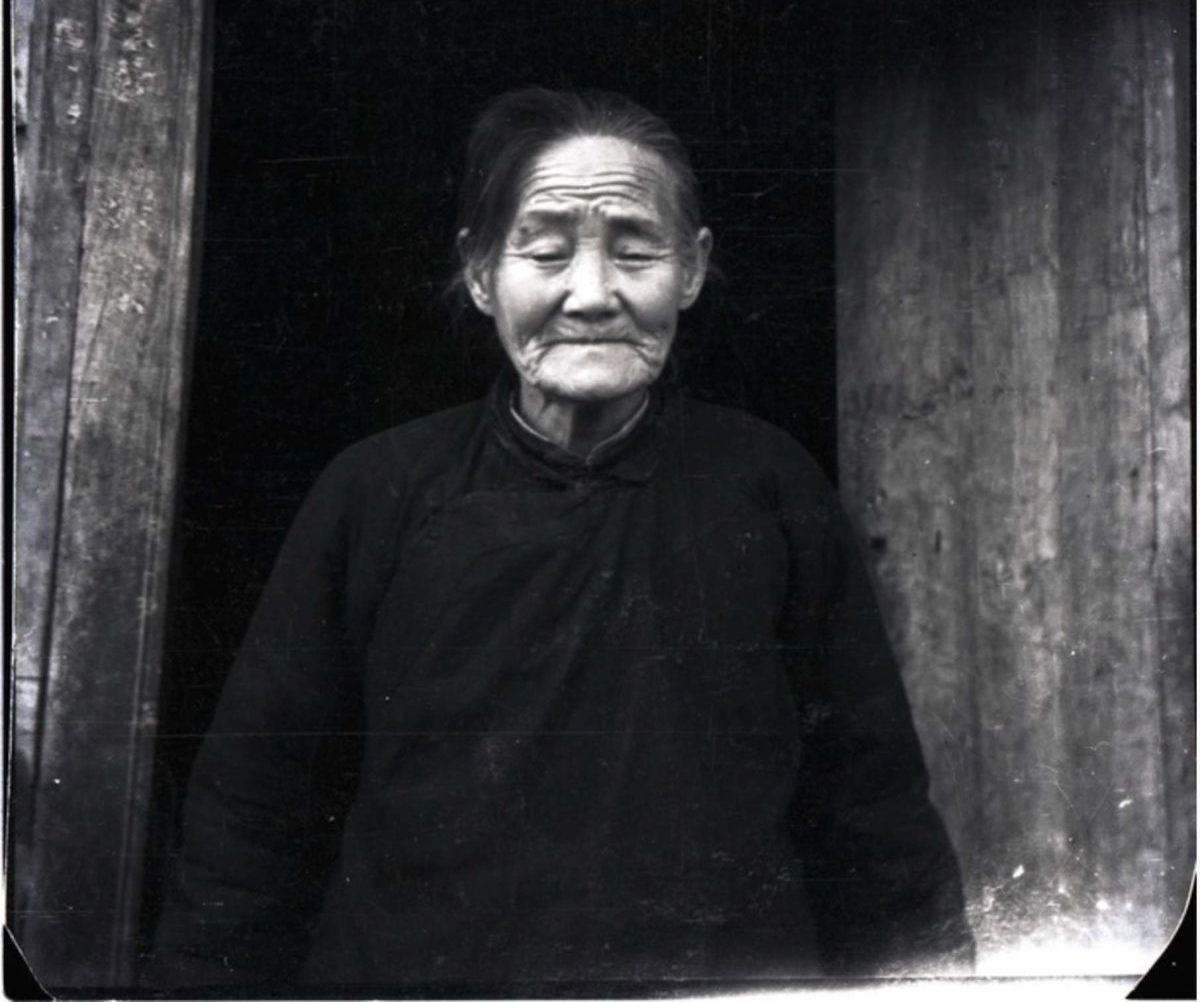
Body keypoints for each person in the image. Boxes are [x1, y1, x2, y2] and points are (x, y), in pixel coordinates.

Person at [146, 87, 973, 992]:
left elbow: (873, 813)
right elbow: (253, 813)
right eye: (544, 250)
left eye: (636, 250)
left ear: (692, 270)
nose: (591, 295)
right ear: (478, 272)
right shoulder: (377, 493)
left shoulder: (769, 488)